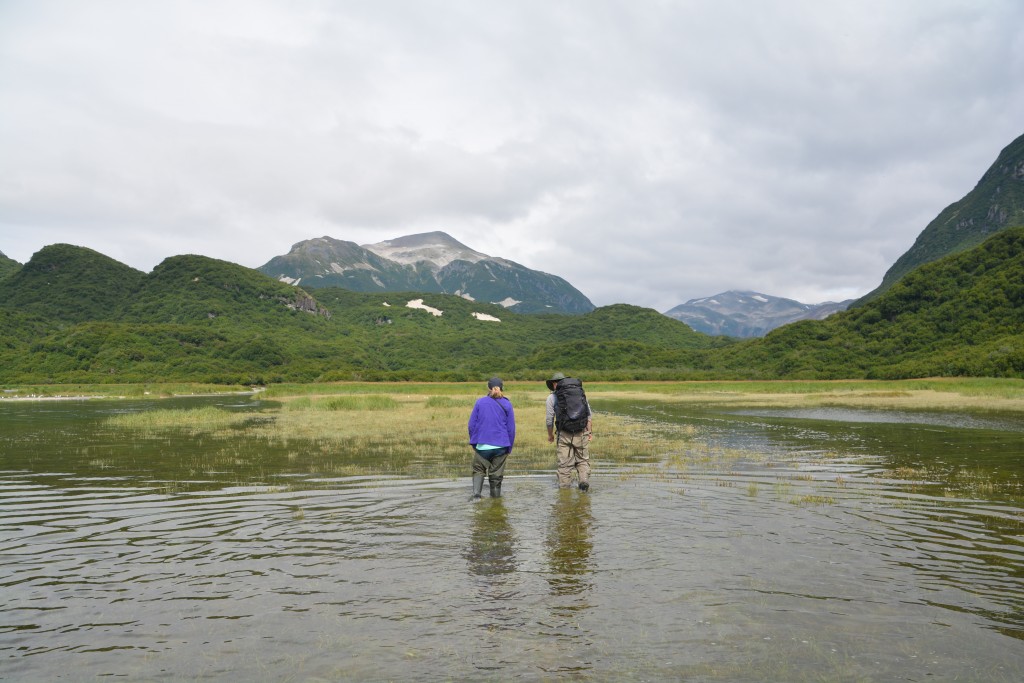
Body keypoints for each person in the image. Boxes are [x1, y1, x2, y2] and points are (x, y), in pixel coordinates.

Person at [467, 377, 516, 500]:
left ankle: (476, 496)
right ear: (501, 388)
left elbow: (471, 425)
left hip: (482, 445)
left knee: (478, 470)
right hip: (501, 446)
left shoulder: (480, 402)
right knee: (496, 476)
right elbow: (511, 429)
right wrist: (509, 447)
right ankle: (495, 502)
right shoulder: (507, 403)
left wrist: (474, 442)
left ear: (488, 388)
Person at [545, 372, 593, 491]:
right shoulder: (579, 393)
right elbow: (588, 415)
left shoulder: (551, 397)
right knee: (582, 460)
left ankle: (565, 491)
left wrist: (550, 435)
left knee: (565, 464)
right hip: (581, 432)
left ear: (554, 384)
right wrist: (589, 432)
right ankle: (583, 482)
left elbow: (549, 419)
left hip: (564, 434)